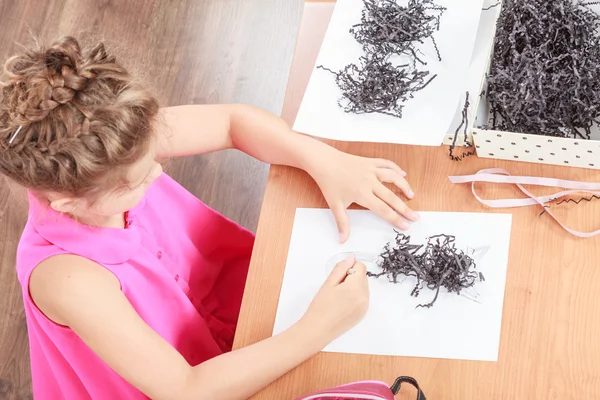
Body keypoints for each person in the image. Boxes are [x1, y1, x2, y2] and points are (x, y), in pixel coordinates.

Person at [0, 37, 418, 399]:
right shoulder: (66, 279)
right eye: (135, 182)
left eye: (152, 154)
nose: (158, 172)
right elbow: (185, 389)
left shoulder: (114, 143)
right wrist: (318, 328)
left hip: (239, 313)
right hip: (189, 380)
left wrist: (324, 159)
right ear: (66, 203)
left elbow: (232, 122)